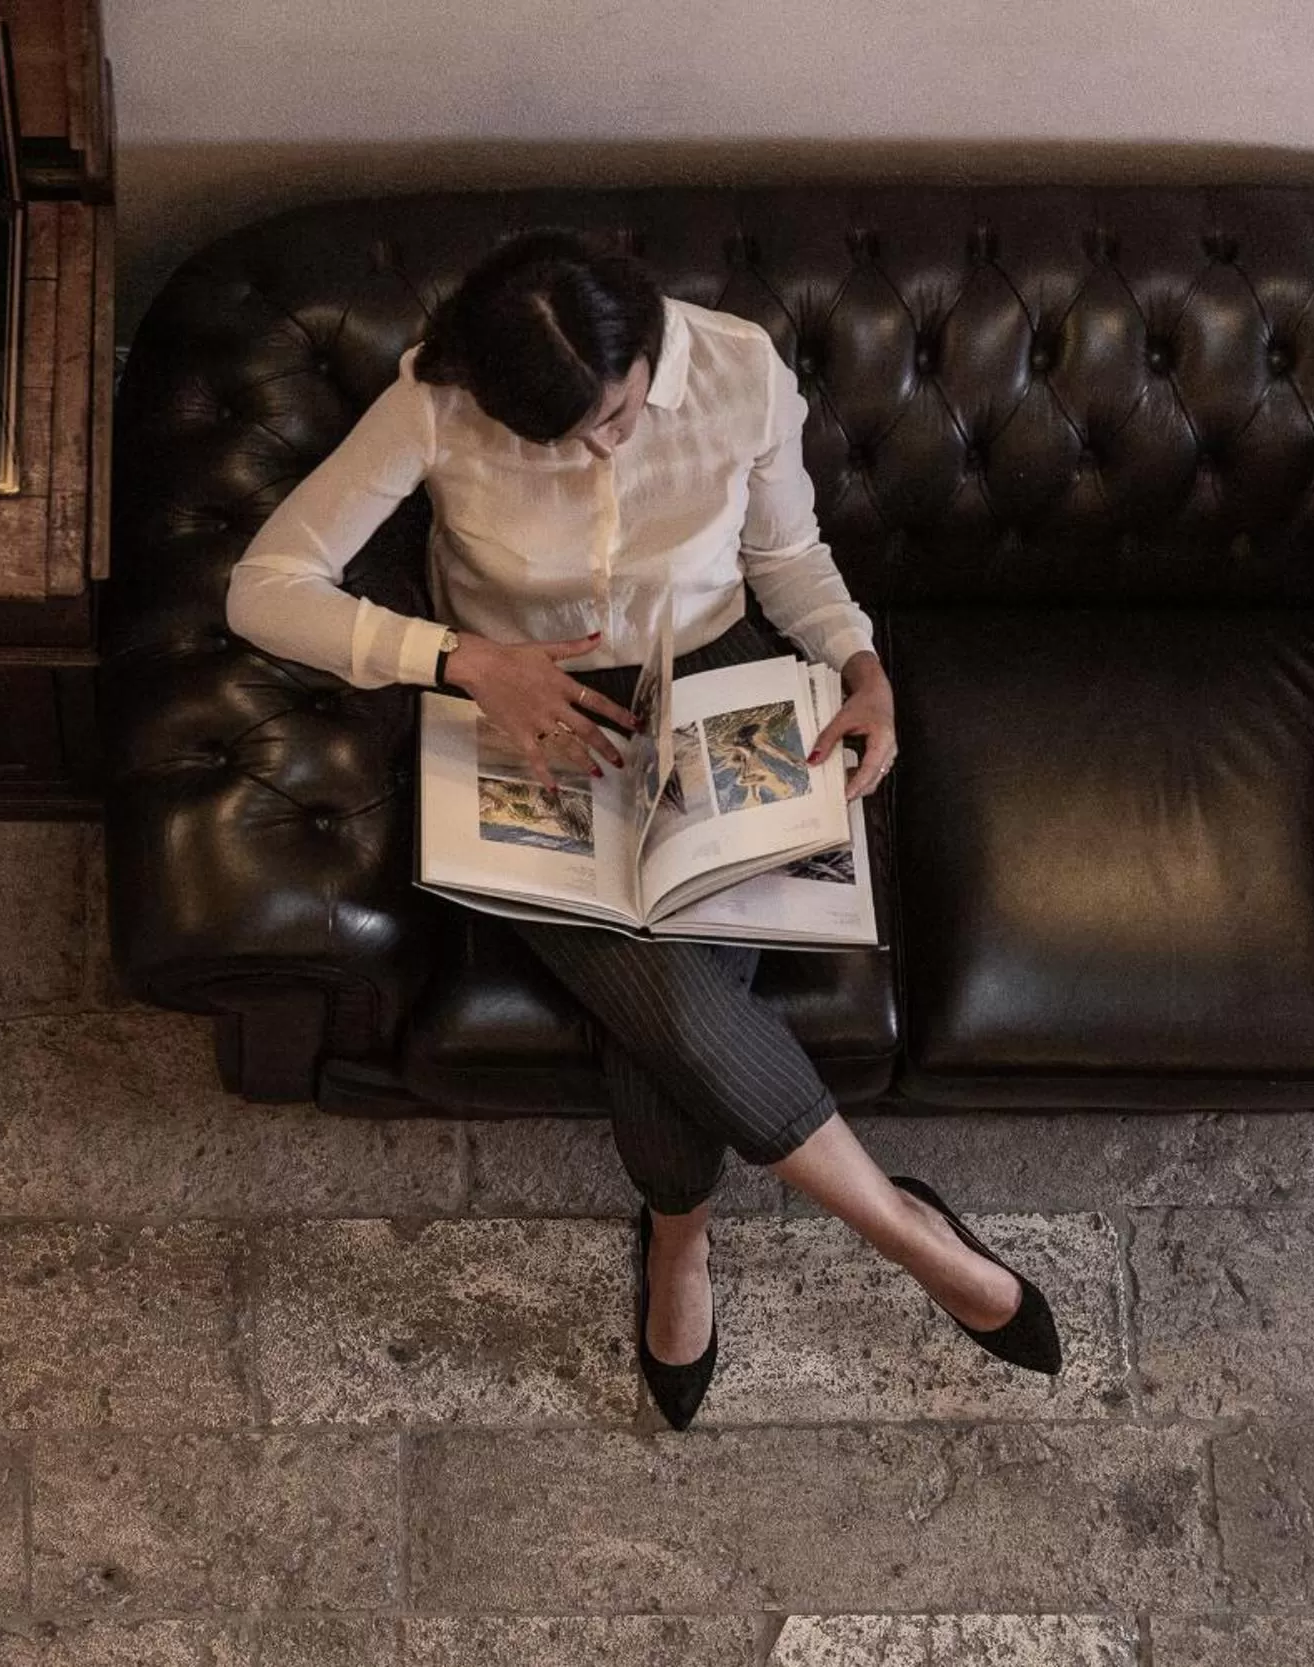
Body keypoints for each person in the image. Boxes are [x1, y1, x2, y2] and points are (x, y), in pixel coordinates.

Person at [226, 232, 1061, 1428]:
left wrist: (861, 665)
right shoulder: (433, 399)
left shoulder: (736, 366)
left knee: (665, 996)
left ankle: (682, 1238)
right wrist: (457, 659)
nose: (602, 450)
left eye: (615, 417)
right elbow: (265, 585)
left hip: (715, 685)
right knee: (667, 997)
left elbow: (786, 554)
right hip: (523, 704)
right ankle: (902, 1232)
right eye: (562, 440)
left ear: (647, 351)